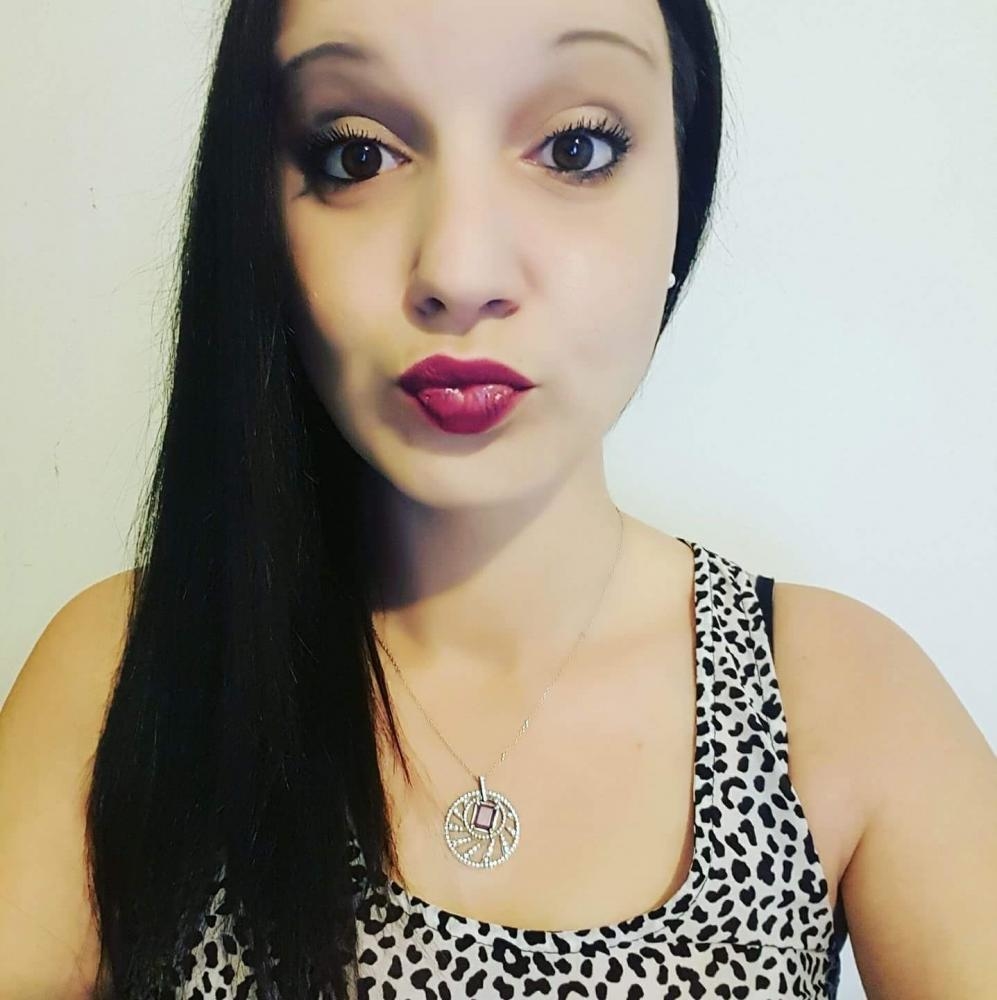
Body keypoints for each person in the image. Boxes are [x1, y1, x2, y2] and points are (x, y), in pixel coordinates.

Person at [1, 0, 994, 997]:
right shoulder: (126, 675)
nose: (459, 271)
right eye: (356, 155)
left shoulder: (839, 702)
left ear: (681, 194)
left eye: (574, 148)